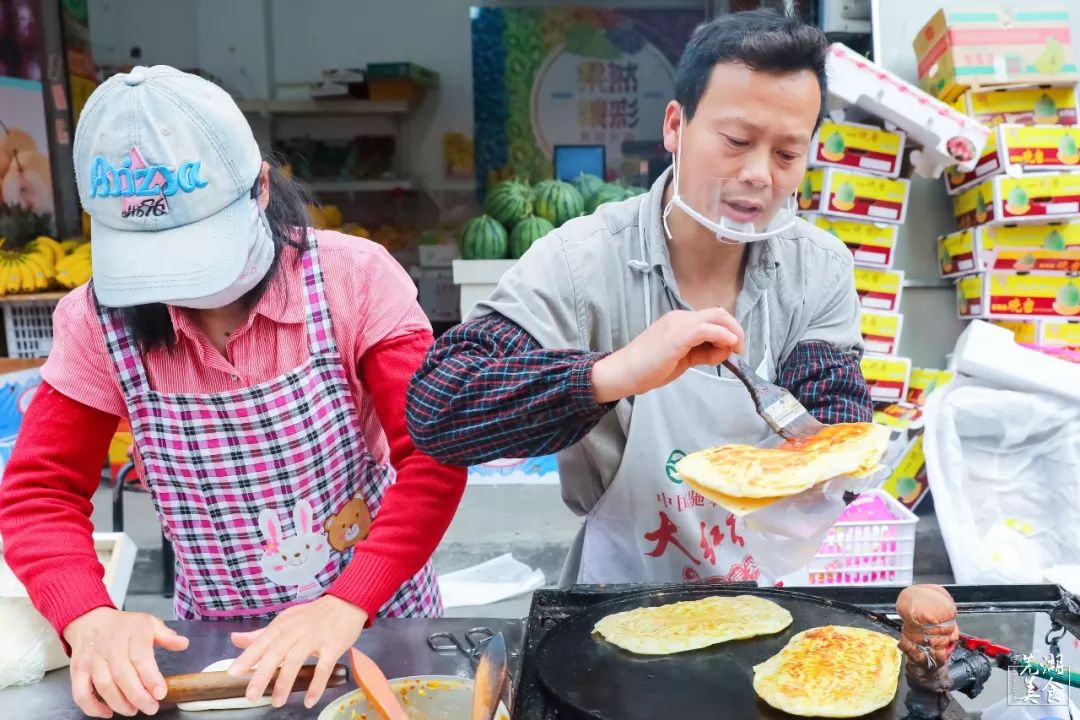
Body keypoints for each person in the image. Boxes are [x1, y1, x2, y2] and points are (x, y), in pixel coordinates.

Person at [0, 66, 466, 717]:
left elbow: (434, 456)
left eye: (194, 253)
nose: (180, 289)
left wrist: (346, 601)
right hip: (221, 654)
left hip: (375, 628)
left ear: (260, 188)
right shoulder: (97, 322)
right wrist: (88, 618)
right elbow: (40, 492)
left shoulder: (351, 281)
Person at [407, 12, 872, 587]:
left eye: (786, 155)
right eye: (737, 141)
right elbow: (440, 408)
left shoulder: (818, 268)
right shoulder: (581, 264)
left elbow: (835, 415)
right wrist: (611, 374)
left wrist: (832, 461)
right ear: (676, 125)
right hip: (618, 597)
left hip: (772, 592)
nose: (758, 174)